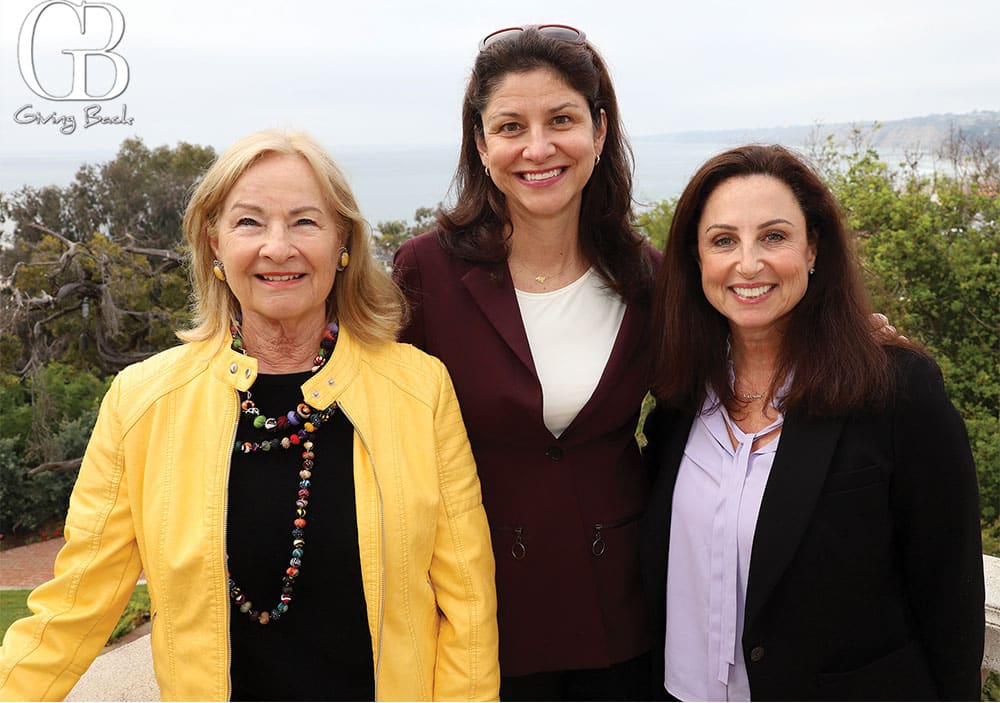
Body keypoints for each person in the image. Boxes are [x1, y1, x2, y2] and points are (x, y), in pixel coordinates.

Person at [0, 130, 500, 702]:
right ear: (213, 244)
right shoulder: (142, 401)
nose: (278, 247)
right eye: (249, 223)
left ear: (343, 242)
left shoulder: (418, 389)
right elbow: (73, 604)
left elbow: (467, 603)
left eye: (305, 222)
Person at [640, 144, 984, 701]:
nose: (748, 264)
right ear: (696, 259)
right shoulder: (679, 399)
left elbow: (951, 598)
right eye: (723, 240)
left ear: (814, 247)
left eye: (774, 237)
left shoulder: (896, 390)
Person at [393, 25, 658, 701]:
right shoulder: (426, 270)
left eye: (561, 120)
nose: (537, 148)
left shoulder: (649, 277)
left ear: (599, 133)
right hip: (482, 616)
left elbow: (718, 394)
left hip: (624, 616)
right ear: (482, 146)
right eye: (511, 126)